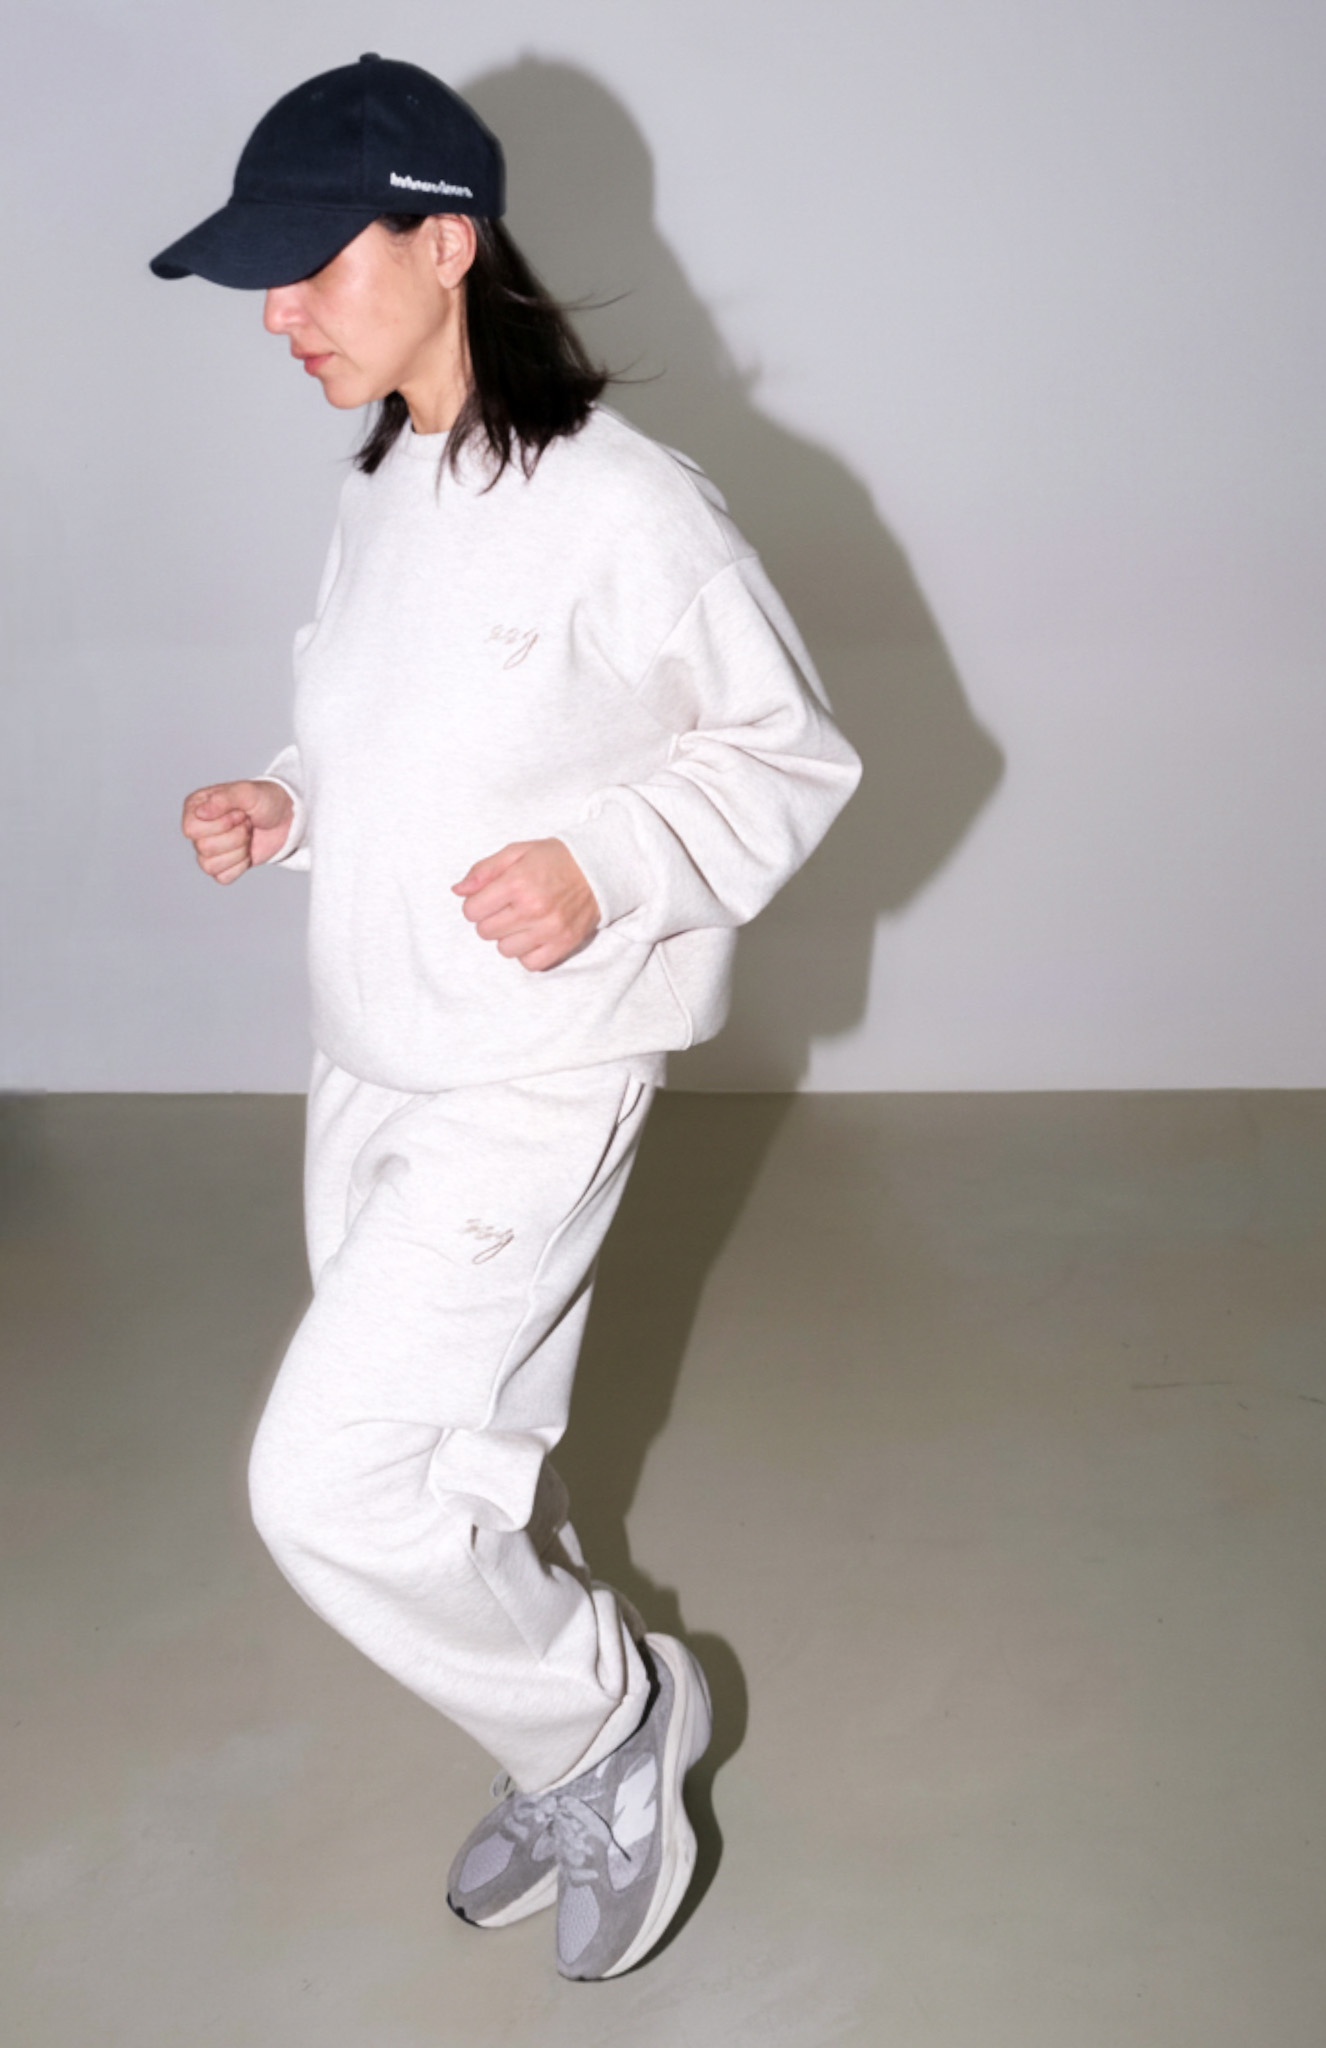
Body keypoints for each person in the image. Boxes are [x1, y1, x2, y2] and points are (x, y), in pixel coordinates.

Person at [155, 54, 859, 1983]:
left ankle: (612, 1724)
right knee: (457, 1469)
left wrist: (608, 863)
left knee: (328, 1489)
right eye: (266, 278)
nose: (278, 313)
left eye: (312, 264)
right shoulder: (388, 483)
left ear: (447, 243)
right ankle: (569, 1749)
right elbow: (383, 738)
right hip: (369, 1058)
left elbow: (787, 755)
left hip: (528, 1077)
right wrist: (285, 804)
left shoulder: (626, 507)